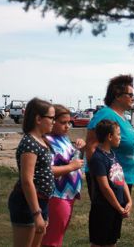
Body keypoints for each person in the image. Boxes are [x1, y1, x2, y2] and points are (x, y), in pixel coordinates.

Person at [8, 98, 55, 247]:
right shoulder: (30, 142)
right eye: (52, 118)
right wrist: (36, 213)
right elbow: (27, 180)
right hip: (27, 204)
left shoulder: (42, 140)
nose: (54, 121)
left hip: (42, 202)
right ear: (38, 119)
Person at [85, 74, 134, 195]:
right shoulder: (105, 114)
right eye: (130, 95)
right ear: (117, 96)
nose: (133, 99)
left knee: (120, 212)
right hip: (109, 179)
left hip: (123, 177)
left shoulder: (123, 118)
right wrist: (98, 178)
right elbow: (91, 146)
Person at [41, 104, 85, 247]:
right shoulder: (46, 141)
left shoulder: (63, 138)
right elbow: (47, 170)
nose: (68, 126)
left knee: (58, 235)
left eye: (69, 122)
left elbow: (71, 159)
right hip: (56, 195)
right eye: (63, 122)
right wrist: (71, 167)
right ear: (52, 121)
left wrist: (79, 149)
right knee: (52, 239)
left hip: (68, 195)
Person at [88, 119, 132, 247]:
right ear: (109, 136)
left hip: (116, 208)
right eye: (118, 134)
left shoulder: (112, 154)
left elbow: (121, 179)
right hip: (103, 209)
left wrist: (129, 201)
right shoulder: (98, 158)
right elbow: (105, 187)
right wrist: (119, 207)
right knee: (99, 243)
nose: (120, 137)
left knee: (112, 241)